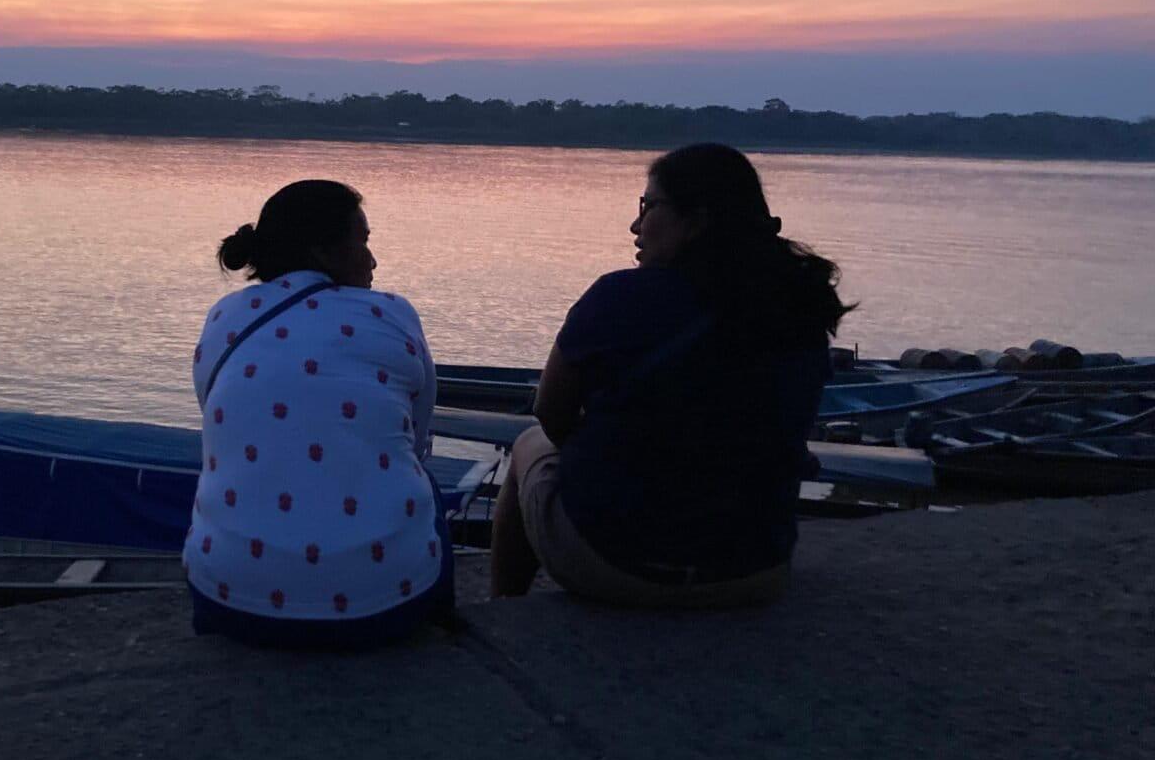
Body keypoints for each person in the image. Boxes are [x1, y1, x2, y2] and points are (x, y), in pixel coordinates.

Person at [491, 143, 852, 607]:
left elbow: (550, 415)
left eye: (649, 206)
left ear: (696, 220)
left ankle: (502, 612)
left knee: (528, 445)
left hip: (621, 568)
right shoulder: (796, 305)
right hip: (755, 571)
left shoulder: (617, 297)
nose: (636, 225)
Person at [184, 179, 452, 647]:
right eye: (363, 241)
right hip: (388, 606)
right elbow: (418, 433)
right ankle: (443, 622)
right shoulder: (392, 313)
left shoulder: (225, 316)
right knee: (421, 478)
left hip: (229, 603)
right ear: (323, 253)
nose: (373, 261)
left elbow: (216, 414)